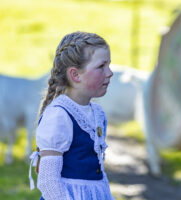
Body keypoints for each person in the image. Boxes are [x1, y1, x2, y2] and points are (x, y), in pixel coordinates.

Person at [28, 31, 114, 200]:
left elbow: (98, 174)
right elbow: (48, 181)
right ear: (75, 75)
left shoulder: (97, 114)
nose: (110, 72)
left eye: (109, 65)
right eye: (101, 66)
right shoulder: (59, 116)